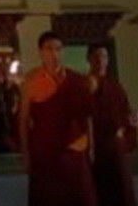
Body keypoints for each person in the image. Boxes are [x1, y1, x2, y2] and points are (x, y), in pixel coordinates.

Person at [19, 31, 97, 206]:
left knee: (80, 197)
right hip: (44, 151)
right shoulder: (31, 81)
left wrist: (91, 147)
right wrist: (25, 153)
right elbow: (23, 120)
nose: (54, 53)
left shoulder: (77, 80)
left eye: (58, 49)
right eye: (49, 49)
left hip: (74, 147)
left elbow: (87, 117)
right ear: (40, 52)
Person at [87, 44, 137, 206]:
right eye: (96, 57)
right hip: (94, 146)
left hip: (114, 146)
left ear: (108, 60)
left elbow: (125, 113)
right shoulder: (84, 86)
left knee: (120, 189)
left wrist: (129, 125)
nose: (100, 61)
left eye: (104, 56)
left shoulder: (115, 87)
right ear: (89, 60)